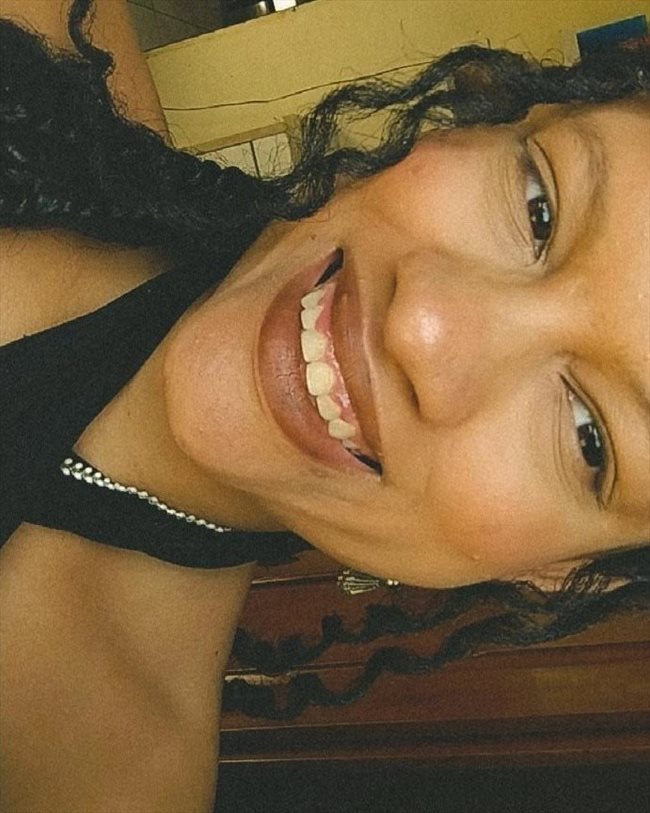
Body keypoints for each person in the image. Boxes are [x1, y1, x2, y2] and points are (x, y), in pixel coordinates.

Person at [0, 0, 648, 808]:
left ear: (561, 572)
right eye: (538, 208)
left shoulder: (92, 784)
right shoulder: (48, 55)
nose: (423, 328)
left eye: (589, 437)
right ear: (484, 118)